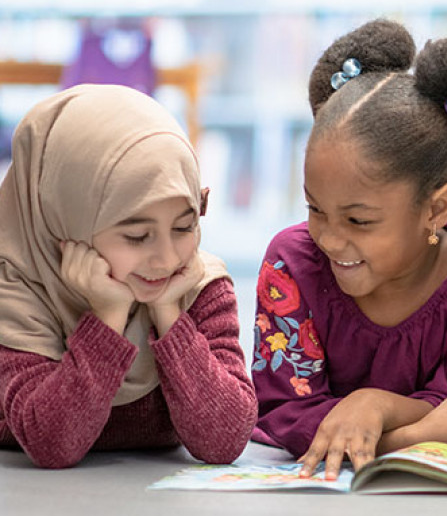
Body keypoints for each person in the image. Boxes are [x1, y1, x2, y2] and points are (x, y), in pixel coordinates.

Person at [251, 19, 447, 479]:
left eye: (359, 220)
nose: (330, 238)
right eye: (315, 208)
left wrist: (372, 405)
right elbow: (284, 413)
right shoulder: (291, 264)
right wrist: (411, 439)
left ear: (436, 208)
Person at [0, 84, 257, 468]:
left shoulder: (198, 285)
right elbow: (52, 444)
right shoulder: (17, 290)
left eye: (184, 227)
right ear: (66, 218)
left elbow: (224, 441)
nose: (166, 259)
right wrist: (108, 319)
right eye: (137, 236)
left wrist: (169, 312)